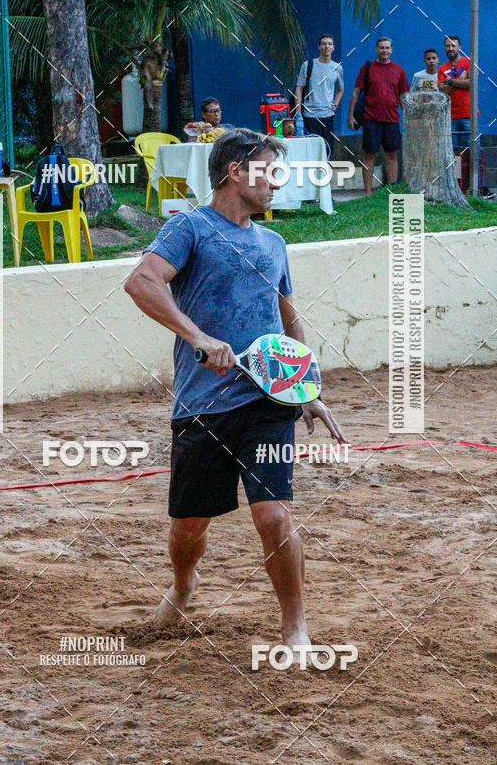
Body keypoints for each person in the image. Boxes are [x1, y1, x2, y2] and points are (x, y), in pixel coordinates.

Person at [124, 128, 346, 655]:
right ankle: (184, 584)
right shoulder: (191, 228)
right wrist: (197, 336)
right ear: (235, 173)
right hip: (202, 406)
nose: (278, 183)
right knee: (188, 528)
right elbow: (141, 282)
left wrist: (304, 389)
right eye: (270, 172)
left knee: (273, 514)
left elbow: (288, 320)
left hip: (267, 404)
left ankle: (294, 629)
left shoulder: (274, 243)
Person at [347, 38, 409, 194]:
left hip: (392, 119)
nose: (385, 51)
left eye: (387, 48)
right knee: (369, 155)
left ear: (392, 50)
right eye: (382, 48)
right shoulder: (367, 68)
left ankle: (392, 190)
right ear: (377, 49)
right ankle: (368, 192)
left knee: (392, 155)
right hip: (371, 119)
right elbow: (355, 93)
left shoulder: (399, 70)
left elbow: (403, 96)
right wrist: (350, 116)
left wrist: (407, 117)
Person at [292, 34, 344, 156]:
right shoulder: (308, 65)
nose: (327, 46)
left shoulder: (337, 68)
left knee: (327, 151)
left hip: (327, 116)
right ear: (319, 47)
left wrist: (335, 104)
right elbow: (299, 88)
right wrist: (298, 112)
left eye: (330, 44)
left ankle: (324, 174)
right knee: (309, 152)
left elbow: (341, 89)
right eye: (324, 44)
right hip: (309, 116)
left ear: (333, 47)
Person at [438, 35, 472, 172]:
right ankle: (458, 186)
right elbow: (442, 90)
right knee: (455, 154)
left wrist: (451, 81)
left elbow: (470, 84)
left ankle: (475, 186)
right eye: (448, 46)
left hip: (469, 115)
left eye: (453, 45)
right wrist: (460, 80)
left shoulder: (468, 62)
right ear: (444, 48)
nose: (451, 48)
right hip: (450, 116)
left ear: (459, 47)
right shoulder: (442, 69)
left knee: (472, 151)